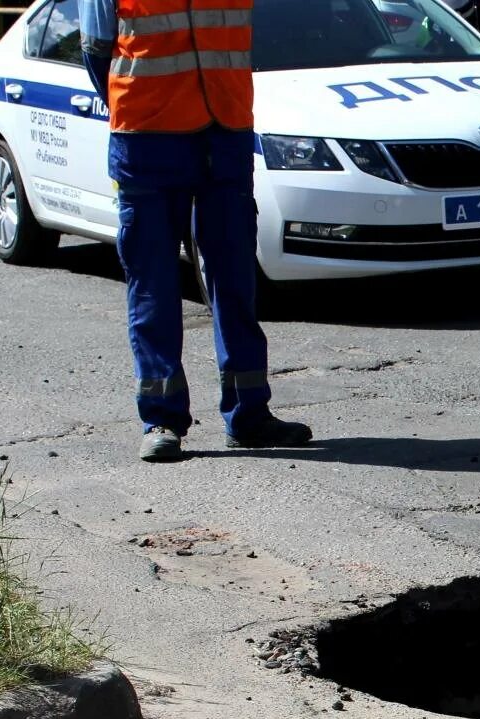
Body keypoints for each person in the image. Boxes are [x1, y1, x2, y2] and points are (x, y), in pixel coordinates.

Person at [79, 0, 312, 462]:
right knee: (154, 287)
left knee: (235, 281)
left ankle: (249, 415)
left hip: (225, 133)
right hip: (147, 138)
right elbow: (96, 49)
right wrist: (140, 108)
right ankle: (161, 419)